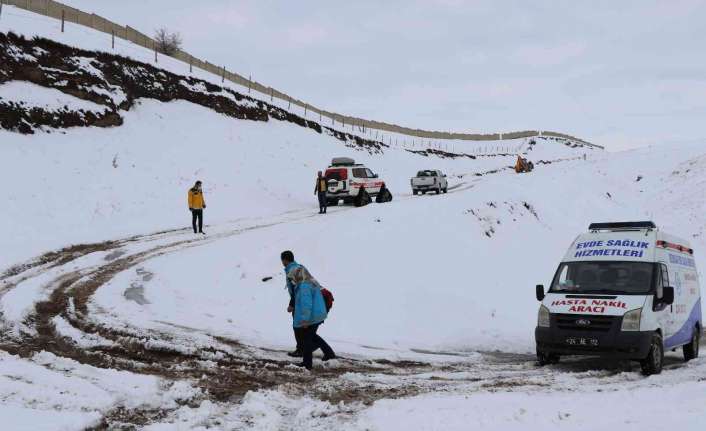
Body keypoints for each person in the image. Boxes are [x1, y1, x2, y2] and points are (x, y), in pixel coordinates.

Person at [281, 250, 335, 369]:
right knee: (310, 336)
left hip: (314, 313)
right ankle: (328, 354)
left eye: (292, 278)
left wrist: (305, 319)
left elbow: (306, 303)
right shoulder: (303, 281)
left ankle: (307, 363)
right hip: (317, 312)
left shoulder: (304, 286)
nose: (291, 280)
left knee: (306, 336)